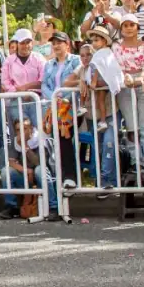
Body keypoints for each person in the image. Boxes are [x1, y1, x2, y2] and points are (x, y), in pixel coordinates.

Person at [113, 12, 144, 177]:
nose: (129, 28)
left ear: (137, 27)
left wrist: (141, 77)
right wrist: (126, 77)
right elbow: (116, 64)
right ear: (121, 28)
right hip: (125, 85)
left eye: (132, 25)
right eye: (125, 25)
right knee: (132, 125)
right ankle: (135, 160)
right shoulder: (116, 46)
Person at [81, 25, 123, 194]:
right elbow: (71, 81)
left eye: (88, 54)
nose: (86, 57)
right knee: (99, 147)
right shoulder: (85, 68)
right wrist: (81, 82)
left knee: (109, 144)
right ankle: (102, 182)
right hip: (93, 115)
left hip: (111, 110)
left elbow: (110, 74)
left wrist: (98, 83)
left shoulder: (106, 56)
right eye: (82, 55)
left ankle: (108, 181)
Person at [0, 115, 61, 221]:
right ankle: (11, 207)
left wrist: (25, 146)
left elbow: (38, 162)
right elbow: (11, 162)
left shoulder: (40, 139)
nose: (21, 132)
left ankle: (53, 207)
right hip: (26, 176)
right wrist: (26, 171)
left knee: (39, 170)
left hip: (41, 176)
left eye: (25, 129)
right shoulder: (15, 141)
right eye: (18, 130)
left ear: (31, 128)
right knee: (6, 172)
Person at [41, 31, 81, 185]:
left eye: (59, 42)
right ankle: (60, 176)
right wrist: (53, 96)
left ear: (67, 44)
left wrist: (62, 97)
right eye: (54, 43)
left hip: (71, 107)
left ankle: (70, 176)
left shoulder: (76, 61)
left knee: (65, 137)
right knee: (56, 140)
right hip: (53, 107)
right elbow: (44, 84)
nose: (56, 46)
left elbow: (79, 80)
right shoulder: (49, 64)